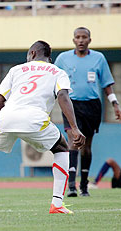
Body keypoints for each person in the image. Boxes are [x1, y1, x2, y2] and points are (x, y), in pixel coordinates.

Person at [0, 41, 86, 214]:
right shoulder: (58, 72)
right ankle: (57, 203)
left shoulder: (17, 69)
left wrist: (6, 123)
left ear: (33, 54)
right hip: (35, 119)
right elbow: (63, 96)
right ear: (49, 58)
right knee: (61, 148)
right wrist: (74, 128)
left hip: (6, 117)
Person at [54, 27, 121, 197]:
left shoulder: (98, 58)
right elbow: (52, 79)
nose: (81, 40)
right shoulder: (63, 58)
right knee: (73, 141)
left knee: (86, 146)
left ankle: (84, 186)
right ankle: (71, 186)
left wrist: (115, 103)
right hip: (71, 104)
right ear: (73, 40)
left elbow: (106, 83)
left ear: (90, 40)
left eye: (84, 37)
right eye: (78, 37)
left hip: (92, 106)